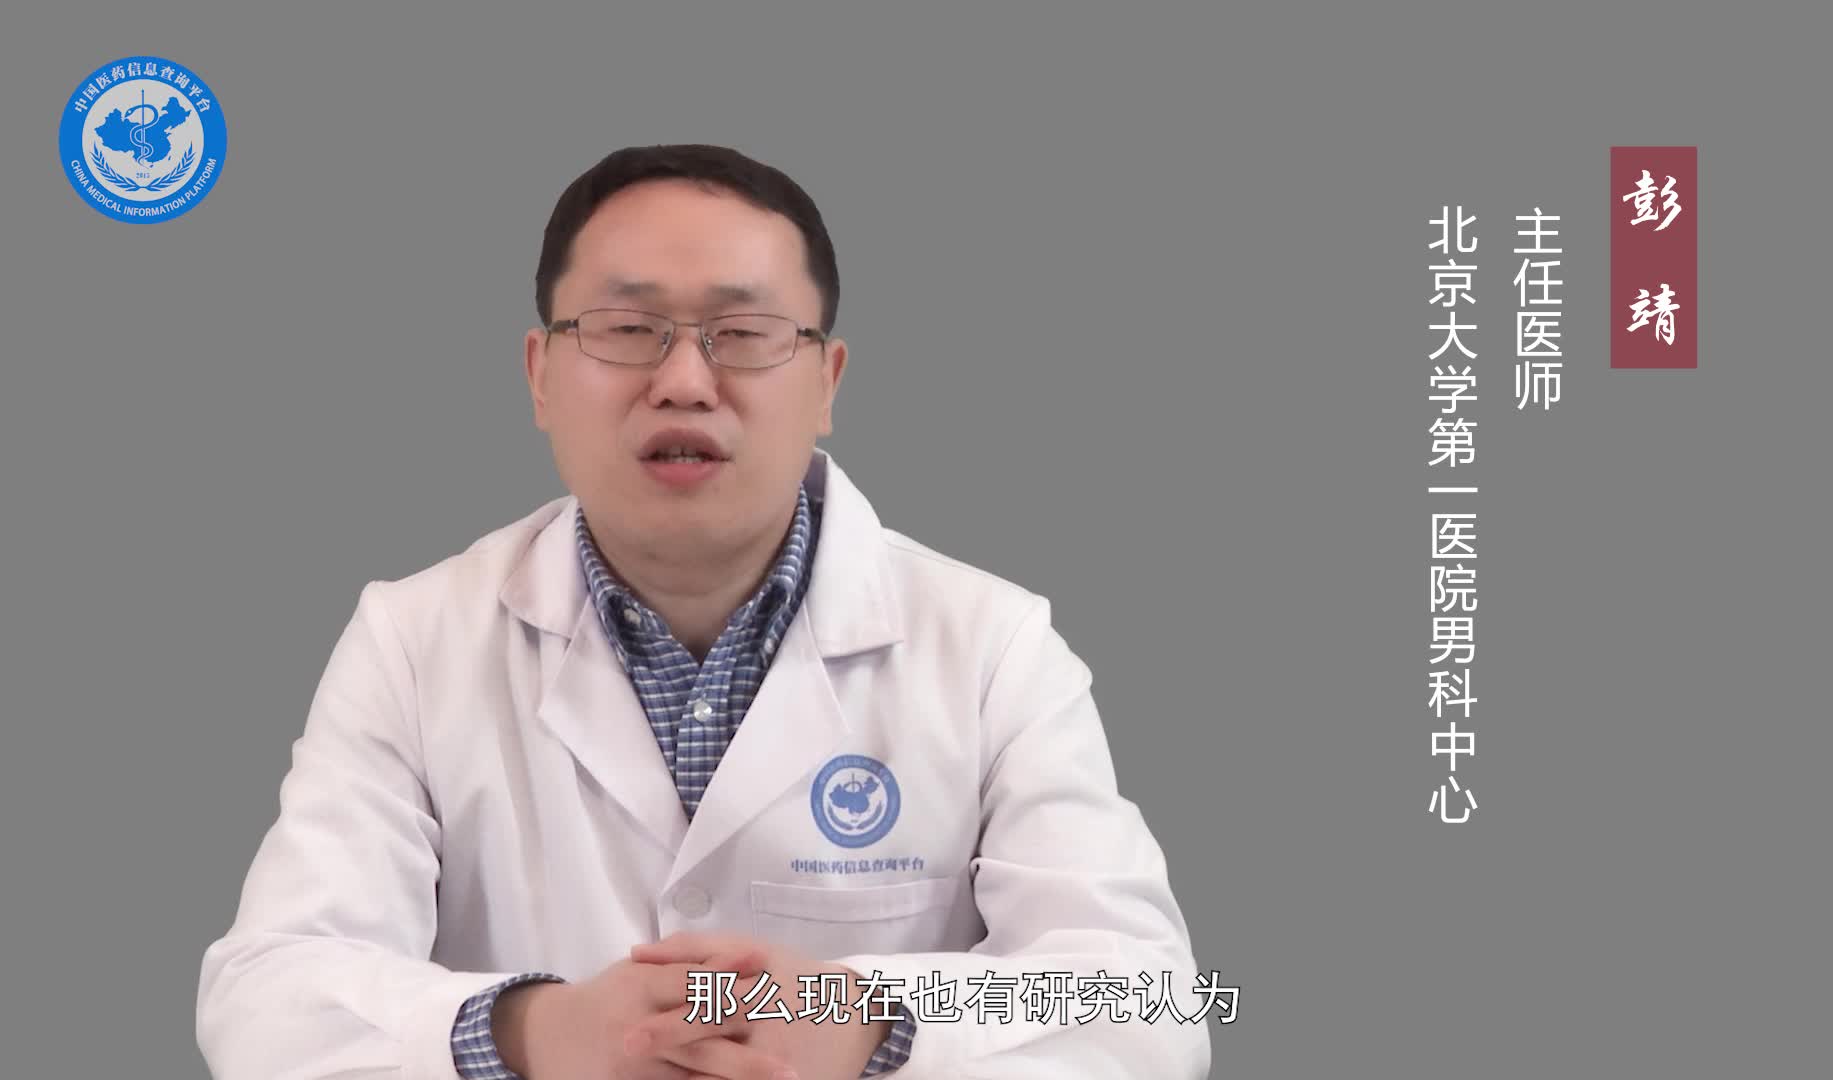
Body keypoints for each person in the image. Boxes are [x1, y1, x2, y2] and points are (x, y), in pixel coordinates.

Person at [195, 144, 1211, 1080]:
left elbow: (1148, 1004)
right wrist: (535, 1033)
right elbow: (265, 999)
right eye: (626, 329)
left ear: (826, 381)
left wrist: (870, 1021)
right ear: (541, 375)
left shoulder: (993, 648)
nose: (683, 382)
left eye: (744, 334)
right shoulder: (414, 641)